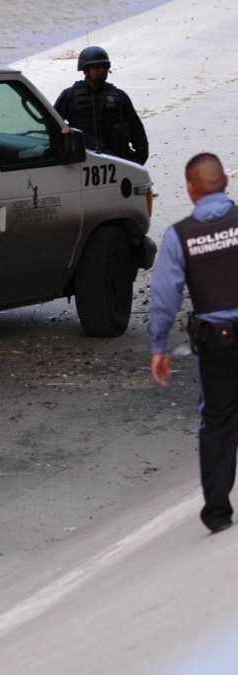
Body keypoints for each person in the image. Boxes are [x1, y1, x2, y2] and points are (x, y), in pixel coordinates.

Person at [148, 152, 238, 534]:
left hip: (218, 343)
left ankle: (217, 512)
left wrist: (158, 346)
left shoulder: (180, 235)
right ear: (226, 183)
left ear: (189, 189)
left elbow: (165, 295)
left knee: (217, 424)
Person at [53, 46, 149, 165]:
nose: (102, 70)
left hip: (117, 161)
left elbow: (136, 130)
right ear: (85, 70)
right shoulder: (69, 96)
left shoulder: (119, 96)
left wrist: (137, 160)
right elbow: (53, 127)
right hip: (83, 163)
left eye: (105, 66)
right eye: (96, 67)